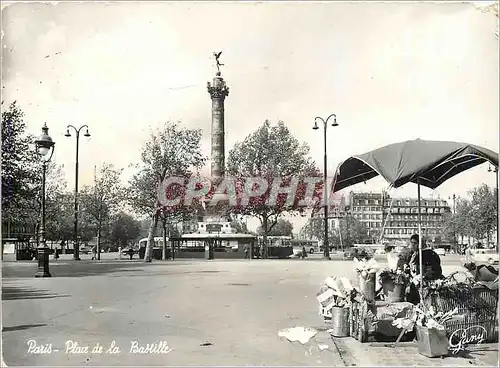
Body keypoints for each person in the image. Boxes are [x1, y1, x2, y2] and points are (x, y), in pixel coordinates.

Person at [406, 234, 443, 304]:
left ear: (420, 244)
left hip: (425, 283)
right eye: (412, 243)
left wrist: (422, 276)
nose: (413, 245)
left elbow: (434, 270)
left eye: (415, 243)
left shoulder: (428, 254)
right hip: (413, 282)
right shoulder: (412, 254)